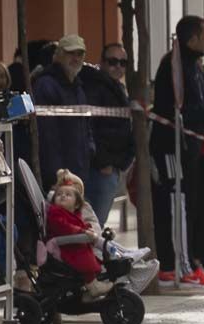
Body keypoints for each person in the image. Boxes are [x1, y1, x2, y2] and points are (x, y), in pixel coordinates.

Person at [151, 16, 204, 287]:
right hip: (172, 148)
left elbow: (192, 108)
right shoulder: (173, 65)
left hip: (189, 148)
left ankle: (187, 262)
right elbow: (172, 110)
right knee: (177, 206)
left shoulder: (194, 66)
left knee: (188, 205)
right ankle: (178, 266)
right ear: (192, 39)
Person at [77, 43, 133, 227]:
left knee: (96, 224)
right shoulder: (96, 87)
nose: (118, 67)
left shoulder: (116, 88)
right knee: (93, 225)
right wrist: (103, 162)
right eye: (113, 62)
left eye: (123, 62)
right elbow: (88, 127)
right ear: (102, 63)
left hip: (111, 167)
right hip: (100, 170)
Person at [31, 34, 94, 191]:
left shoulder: (78, 87)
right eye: (70, 53)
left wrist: (90, 148)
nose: (76, 58)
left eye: (80, 54)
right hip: (57, 176)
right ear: (58, 55)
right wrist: (56, 172)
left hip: (78, 172)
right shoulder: (46, 84)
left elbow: (86, 125)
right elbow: (46, 135)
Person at [46, 178, 112, 301]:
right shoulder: (55, 213)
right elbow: (64, 227)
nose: (63, 196)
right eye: (59, 194)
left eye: (68, 195)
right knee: (84, 257)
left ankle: (86, 289)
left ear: (76, 204)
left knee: (91, 250)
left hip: (70, 243)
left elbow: (79, 225)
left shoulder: (74, 214)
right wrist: (82, 231)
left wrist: (87, 229)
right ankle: (93, 286)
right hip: (62, 247)